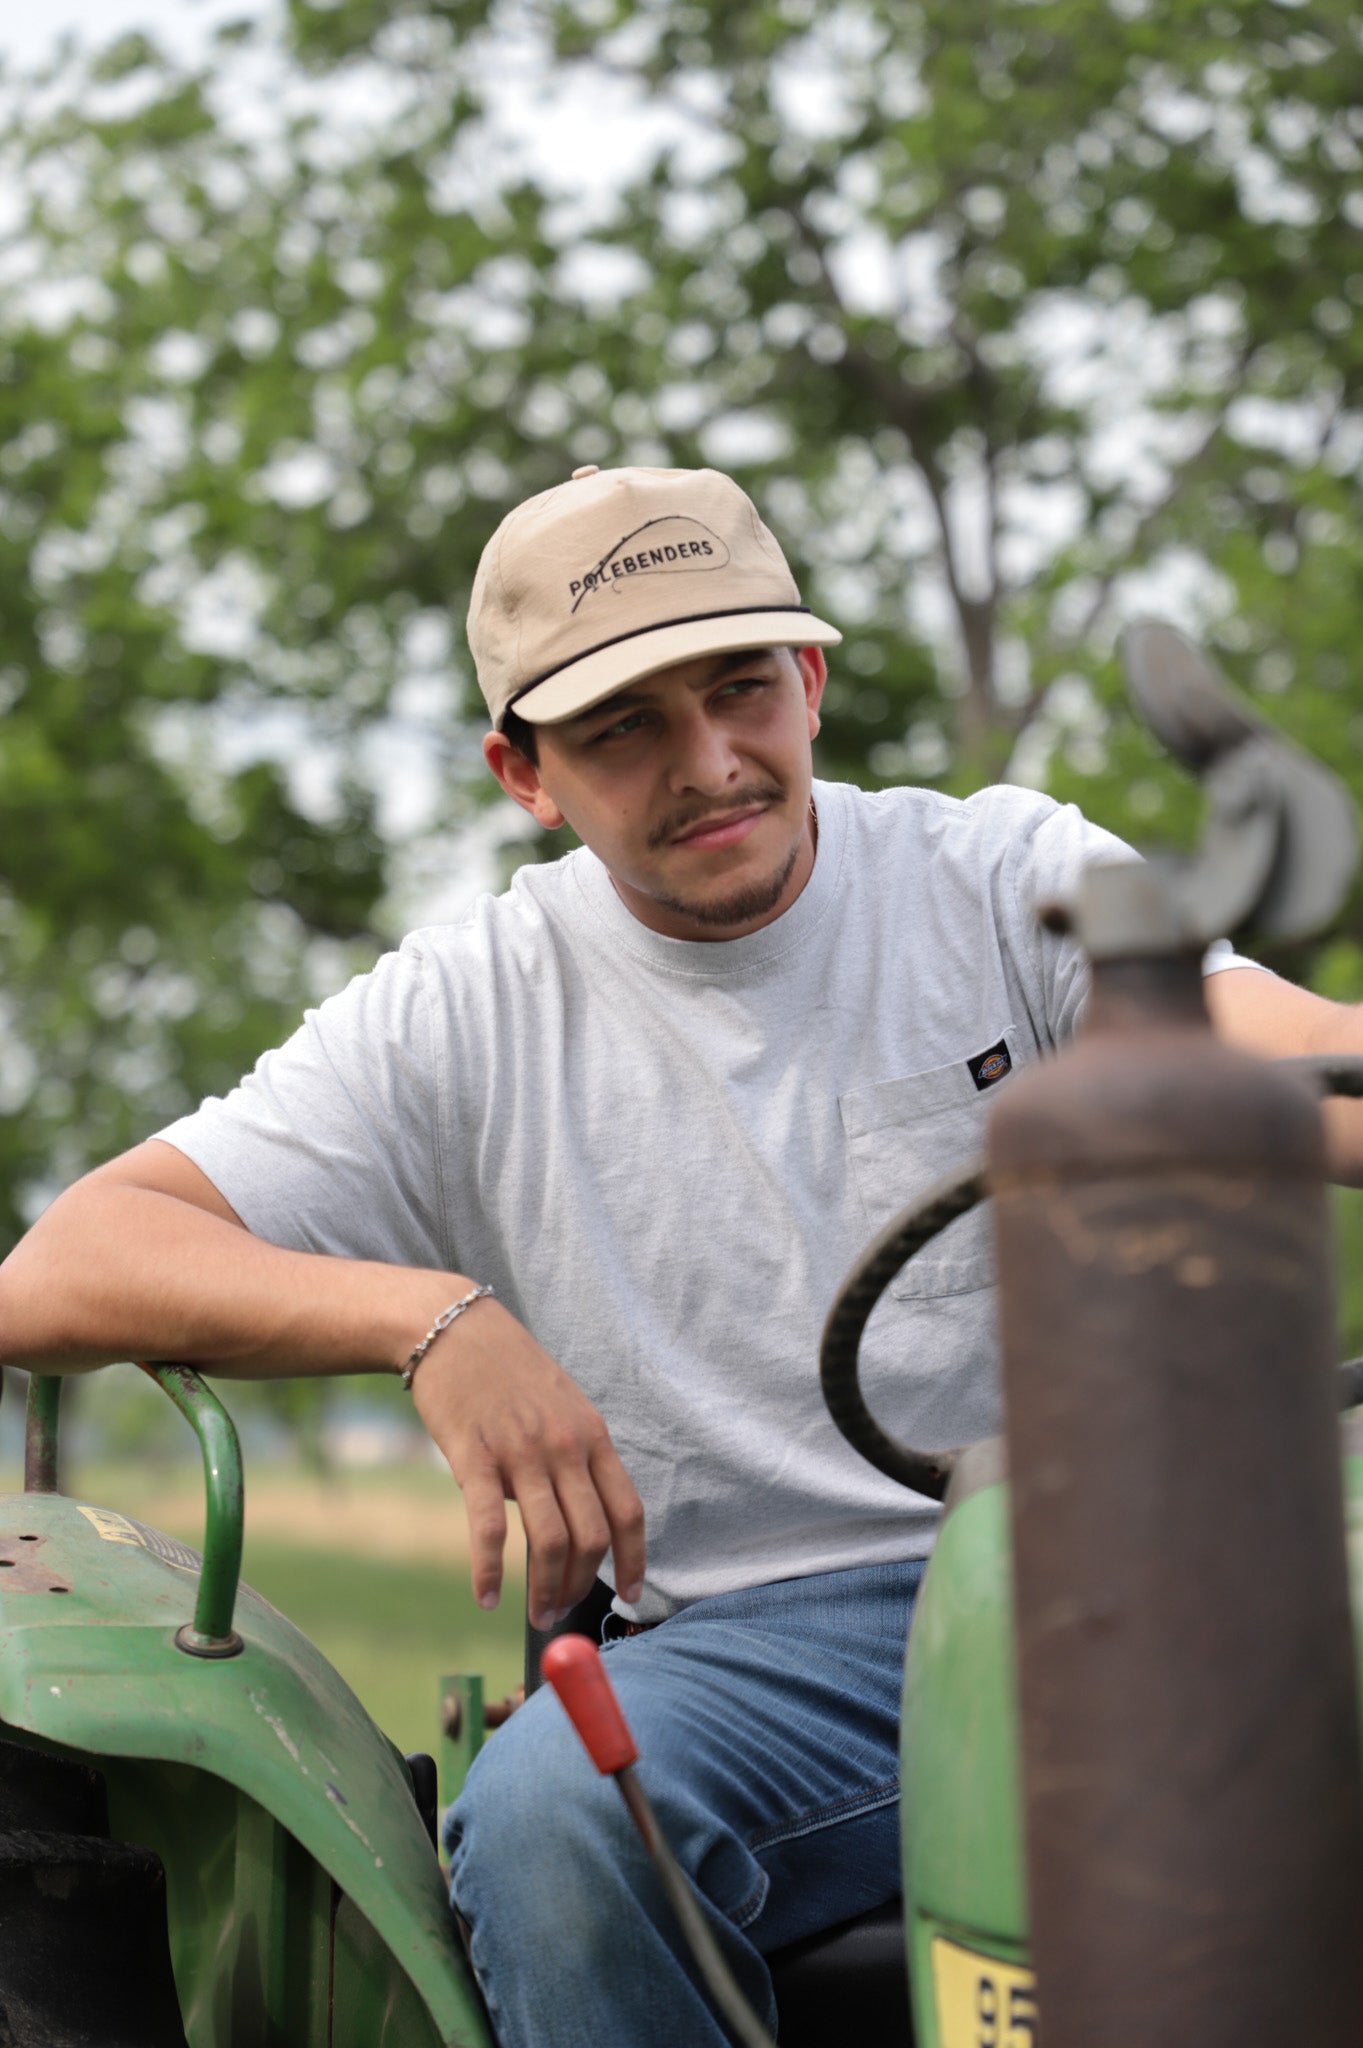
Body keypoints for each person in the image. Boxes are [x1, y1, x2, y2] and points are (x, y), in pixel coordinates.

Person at [3, 463, 1362, 2048]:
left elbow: (1312, 1069)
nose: (711, 764)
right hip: (759, 1651)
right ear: (525, 771)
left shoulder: (1004, 880)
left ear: (812, 679)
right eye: (624, 727)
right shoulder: (471, 1008)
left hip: (1120, 1565)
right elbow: (61, 1265)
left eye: (739, 689)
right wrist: (431, 1322)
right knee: (556, 1827)